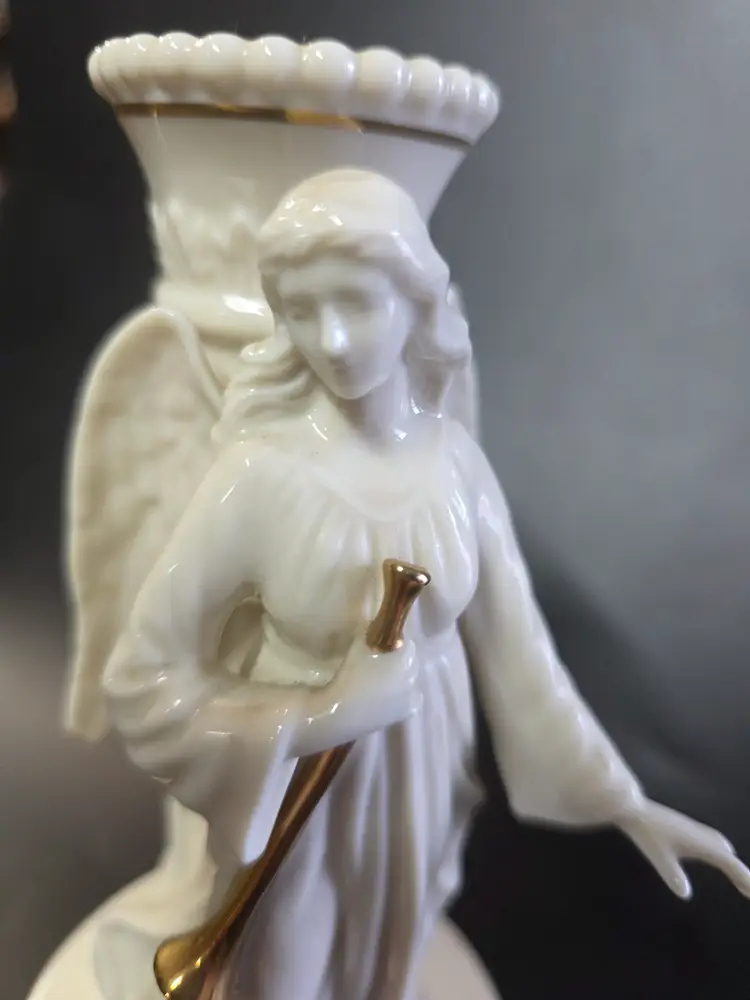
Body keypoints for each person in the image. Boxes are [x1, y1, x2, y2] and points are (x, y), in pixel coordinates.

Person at [103, 169, 750, 1000]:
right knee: (277, 972)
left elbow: (523, 663)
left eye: (356, 303)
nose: (333, 339)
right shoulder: (259, 478)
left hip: (420, 773)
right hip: (301, 787)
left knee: (383, 974)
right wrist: (322, 714)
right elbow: (142, 677)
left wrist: (624, 803)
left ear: (415, 302)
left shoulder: (455, 467)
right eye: (303, 310)